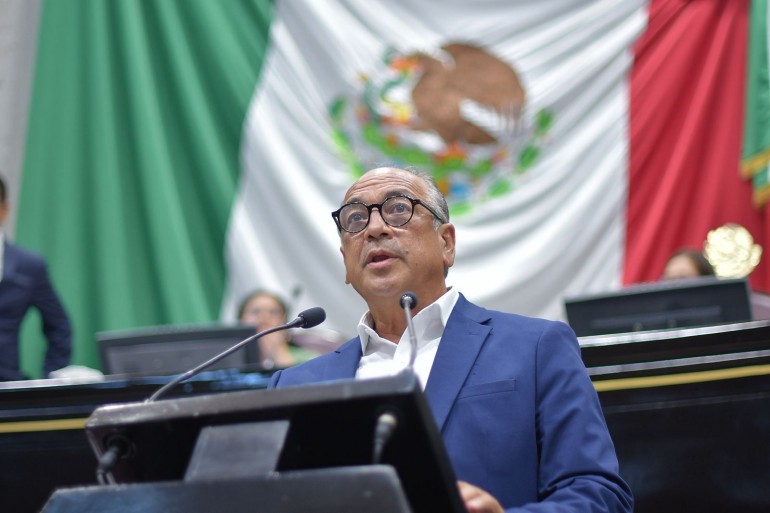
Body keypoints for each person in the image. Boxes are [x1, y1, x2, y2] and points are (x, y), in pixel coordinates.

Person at [269, 166, 633, 512]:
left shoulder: (536, 348)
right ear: (345, 262)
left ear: (447, 243)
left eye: (398, 209)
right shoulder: (295, 386)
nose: (375, 228)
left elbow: (599, 495)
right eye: (355, 219)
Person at [0, 175, 71, 380]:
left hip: (6, 389)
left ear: (4, 210)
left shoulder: (29, 266)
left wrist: (48, 382)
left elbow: (60, 327)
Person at [238, 290, 321, 368]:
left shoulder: (307, 358)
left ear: (285, 322)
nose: (264, 317)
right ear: (240, 319)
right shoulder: (232, 355)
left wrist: (279, 351)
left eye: (273, 312)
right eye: (256, 311)